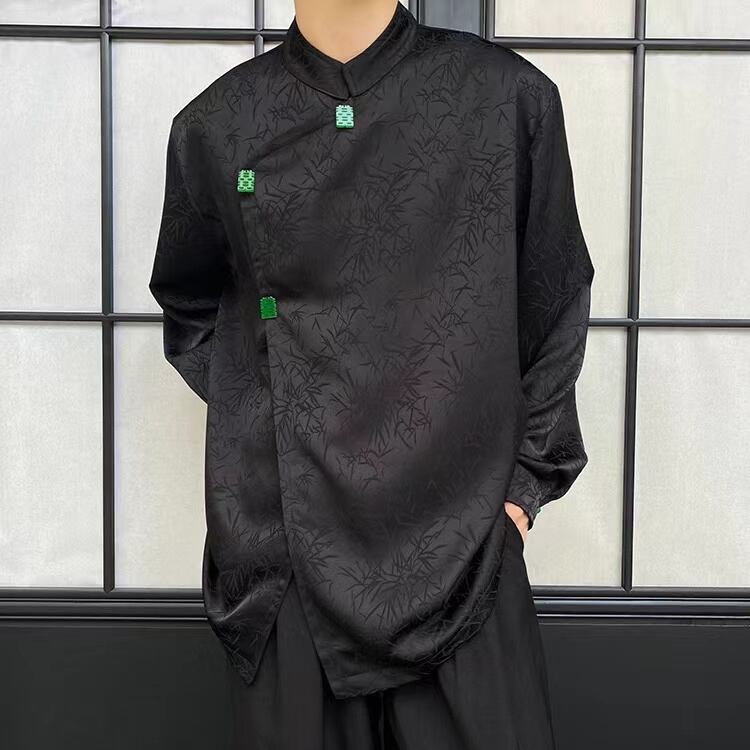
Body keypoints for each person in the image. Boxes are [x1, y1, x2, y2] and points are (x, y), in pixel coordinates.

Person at [149, 1, 595, 747]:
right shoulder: (218, 125)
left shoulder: (508, 100)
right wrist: (269, 423)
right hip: (289, 563)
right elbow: (191, 307)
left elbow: (555, 300)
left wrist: (520, 493)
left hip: (466, 549)